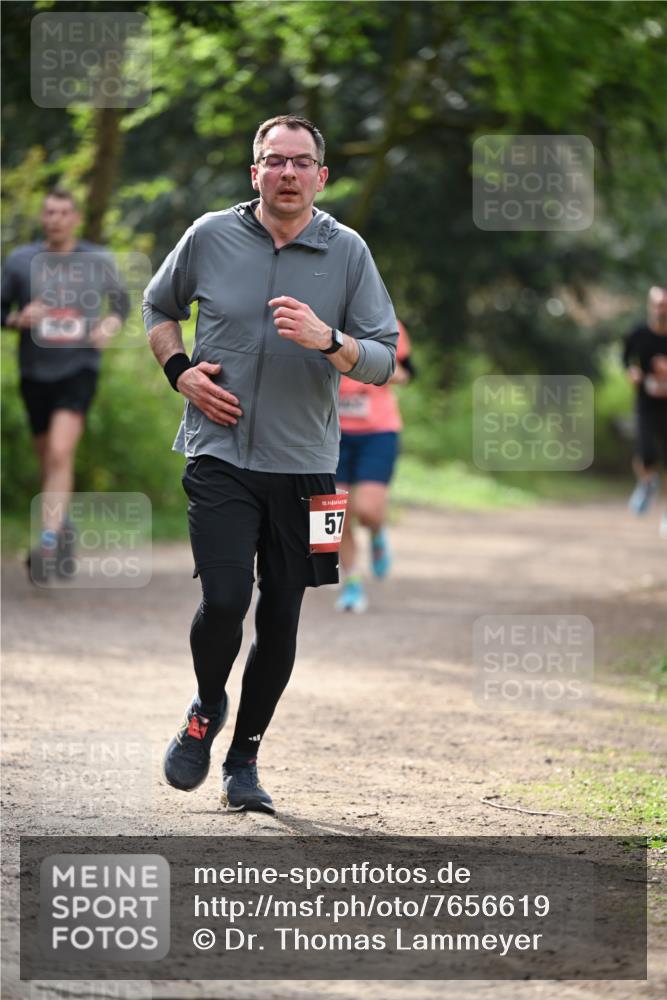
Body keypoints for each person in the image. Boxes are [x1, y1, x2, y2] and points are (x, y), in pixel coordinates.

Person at [142, 115, 397, 814]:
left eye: (300, 162)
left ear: (321, 176)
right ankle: (204, 708)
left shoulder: (347, 252)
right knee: (224, 599)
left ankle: (244, 760)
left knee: (282, 613)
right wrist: (179, 371)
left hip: (313, 466)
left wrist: (330, 340)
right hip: (216, 452)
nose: (286, 173)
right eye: (273, 161)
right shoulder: (209, 235)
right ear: (253, 172)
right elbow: (158, 306)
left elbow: (382, 355)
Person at [1, 188, 129, 581]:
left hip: (79, 367)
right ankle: (62, 524)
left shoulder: (97, 260)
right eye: (49, 212)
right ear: (44, 218)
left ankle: (46, 543)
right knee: (48, 459)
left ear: (75, 218)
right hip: (35, 371)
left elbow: (121, 304)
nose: (55, 219)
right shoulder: (21, 261)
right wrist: (16, 320)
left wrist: (108, 325)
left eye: (62, 213)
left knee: (59, 452)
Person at [335, 319, 414, 612]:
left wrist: (371, 367)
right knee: (334, 512)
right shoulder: (319, 317)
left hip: (378, 431)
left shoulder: (387, 323)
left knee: (367, 510)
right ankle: (352, 582)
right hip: (330, 431)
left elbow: (406, 373)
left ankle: (377, 531)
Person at [623, 286, 667, 538]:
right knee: (645, 451)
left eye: (665, 305)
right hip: (646, 403)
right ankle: (647, 482)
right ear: (651, 305)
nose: (662, 309)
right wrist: (633, 372)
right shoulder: (639, 334)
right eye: (658, 304)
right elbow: (626, 359)